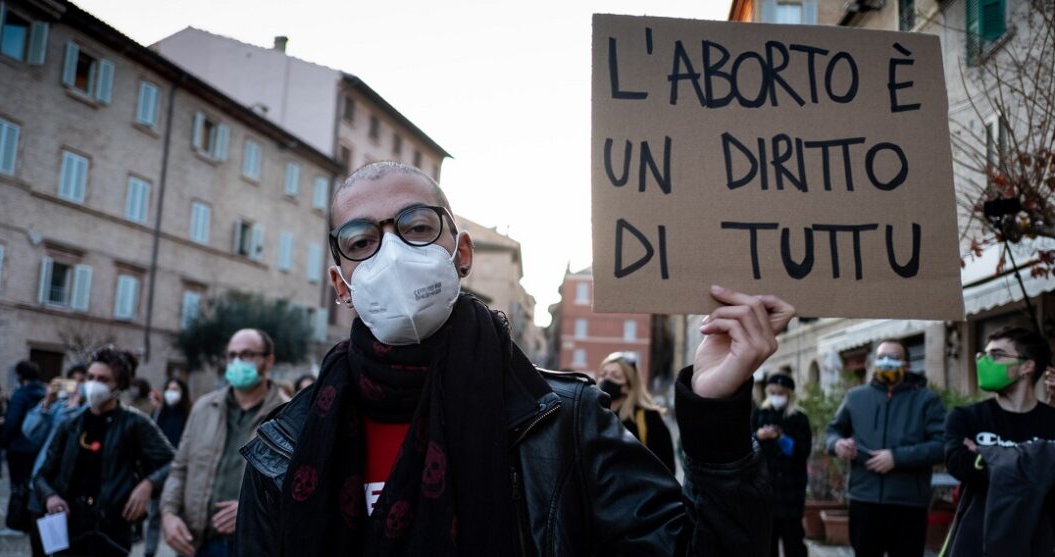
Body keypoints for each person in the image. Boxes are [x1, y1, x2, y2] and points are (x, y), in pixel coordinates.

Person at [234, 162, 794, 557]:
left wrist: (716, 420)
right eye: (361, 242)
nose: (394, 253)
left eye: (417, 227)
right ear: (340, 282)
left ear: (462, 254)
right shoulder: (284, 444)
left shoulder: (564, 421)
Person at [33, 347, 175, 557]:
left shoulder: (134, 422)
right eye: (91, 377)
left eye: (103, 379)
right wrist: (50, 496)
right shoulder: (70, 424)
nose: (94, 384)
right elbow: (42, 475)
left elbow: (174, 462)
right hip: (68, 526)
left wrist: (148, 484)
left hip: (111, 530)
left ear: (119, 385)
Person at [161, 329, 288, 557]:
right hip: (198, 544)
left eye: (247, 355)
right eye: (232, 355)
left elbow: (299, 489)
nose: (237, 362)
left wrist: (251, 510)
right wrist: (168, 514)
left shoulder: (288, 417)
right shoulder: (203, 408)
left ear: (268, 361)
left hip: (255, 546)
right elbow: (179, 469)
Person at [826, 339, 947, 557]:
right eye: (881, 357)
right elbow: (832, 432)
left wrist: (897, 458)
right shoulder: (855, 397)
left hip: (908, 502)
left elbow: (943, 445)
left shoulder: (927, 400)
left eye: (893, 357)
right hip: (863, 499)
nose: (886, 362)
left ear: (908, 365)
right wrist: (838, 444)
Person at [941, 327, 1055, 556]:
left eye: (997, 355)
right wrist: (1040, 458)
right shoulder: (966, 417)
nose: (984, 361)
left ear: (1027, 366)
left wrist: (988, 455)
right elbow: (958, 463)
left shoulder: (1051, 420)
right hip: (976, 541)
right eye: (982, 355)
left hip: (1039, 542)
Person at [22, 365, 89, 557]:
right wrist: (47, 402)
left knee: (62, 549)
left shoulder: (89, 412)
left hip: (68, 490)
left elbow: (74, 437)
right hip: (41, 486)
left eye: (82, 380)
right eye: (72, 380)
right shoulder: (57, 408)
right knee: (38, 545)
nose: (76, 385)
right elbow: (30, 432)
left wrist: (73, 408)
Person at [752, 373, 811, 557]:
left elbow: (801, 452)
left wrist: (780, 438)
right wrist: (758, 437)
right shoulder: (759, 415)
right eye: (772, 392)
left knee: (793, 541)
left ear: (789, 394)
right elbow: (747, 448)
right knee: (767, 544)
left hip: (791, 490)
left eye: (780, 392)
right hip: (764, 489)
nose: (776, 396)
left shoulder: (799, 418)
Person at [596, 351, 675, 471]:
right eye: (603, 374)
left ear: (627, 386)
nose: (606, 380)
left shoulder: (649, 418)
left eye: (615, 376)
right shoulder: (593, 414)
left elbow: (666, 468)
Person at [144, 378, 191, 557]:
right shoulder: (159, 413)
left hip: (181, 472)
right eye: (168, 389)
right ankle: (149, 551)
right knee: (154, 516)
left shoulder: (189, 415)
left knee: (180, 518)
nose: (171, 393)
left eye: (176, 389)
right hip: (159, 472)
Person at [1, 360, 46, 534]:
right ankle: (28, 521)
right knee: (29, 485)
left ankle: (16, 523)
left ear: (21, 375)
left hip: (19, 447)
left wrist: (4, 440)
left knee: (17, 486)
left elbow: (12, 422)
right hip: (36, 447)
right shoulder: (43, 392)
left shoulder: (21, 394)